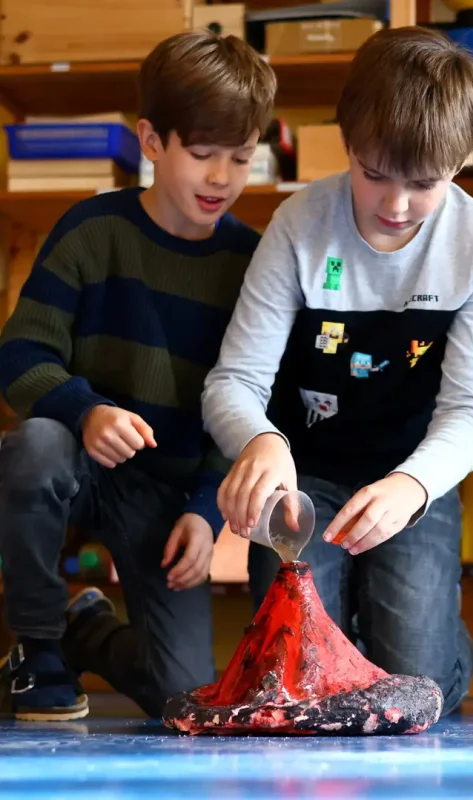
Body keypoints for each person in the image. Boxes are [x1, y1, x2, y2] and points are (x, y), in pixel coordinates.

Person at [201, 25, 473, 716]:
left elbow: (471, 410)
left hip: (411, 478)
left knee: (415, 687)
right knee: (299, 679)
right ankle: (365, 621)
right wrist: (262, 442)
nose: (396, 206)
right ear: (347, 141)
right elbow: (234, 382)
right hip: (304, 474)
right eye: (374, 174)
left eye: (424, 184)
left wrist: (412, 485)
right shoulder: (298, 225)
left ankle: (417, 623)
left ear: (462, 161)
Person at [0, 29, 276, 721]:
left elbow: (245, 401)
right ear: (152, 141)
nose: (222, 177)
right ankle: (38, 649)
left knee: (184, 699)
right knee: (34, 445)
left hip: (164, 490)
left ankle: (80, 628)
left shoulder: (253, 264)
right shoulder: (92, 231)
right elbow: (19, 354)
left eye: (241, 158)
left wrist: (206, 511)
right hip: (79, 459)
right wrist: (84, 410)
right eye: (203, 154)